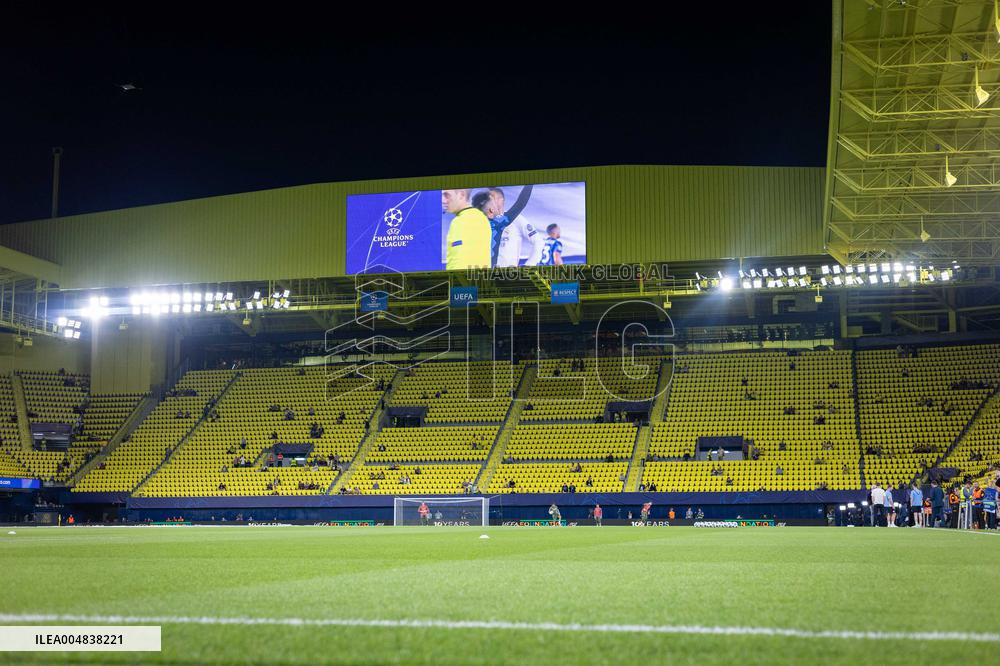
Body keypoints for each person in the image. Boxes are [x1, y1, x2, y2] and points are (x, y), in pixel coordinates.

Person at [443, 189, 491, 270]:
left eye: (447, 195)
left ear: (461, 195)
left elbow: (459, 263)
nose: (443, 200)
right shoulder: (479, 218)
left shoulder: (464, 220)